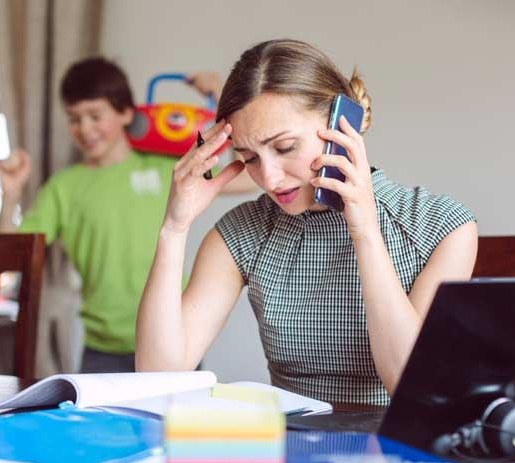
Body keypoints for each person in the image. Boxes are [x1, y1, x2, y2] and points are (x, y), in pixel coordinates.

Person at [135, 39, 478, 405]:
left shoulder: (442, 226)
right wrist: (174, 228)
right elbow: (159, 376)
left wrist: (364, 230)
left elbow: (411, 388)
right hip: (292, 451)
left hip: (397, 450)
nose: (268, 177)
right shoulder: (241, 233)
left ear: (343, 125)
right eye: (250, 157)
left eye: (284, 148)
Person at [0, 57, 254, 374]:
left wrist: (219, 95)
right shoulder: (62, 187)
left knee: (179, 426)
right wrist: (9, 195)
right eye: (74, 118)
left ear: (125, 113)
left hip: (173, 342)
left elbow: (241, 176)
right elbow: (9, 258)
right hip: (101, 352)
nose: (85, 128)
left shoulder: (166, 168)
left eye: (95, 115)